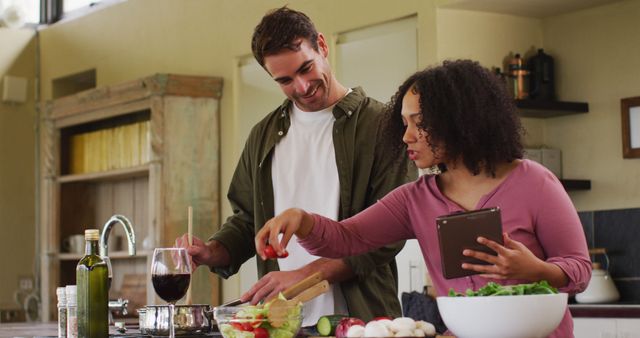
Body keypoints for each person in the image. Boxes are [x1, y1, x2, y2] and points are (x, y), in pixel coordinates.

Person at [255, 60, 592, 337]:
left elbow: (579, 269)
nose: (407, 136)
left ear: (460, 121)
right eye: (404, 123)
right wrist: (302, 219)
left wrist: (535, 269)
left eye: (420, 123)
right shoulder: (415, 199)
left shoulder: (534, 181)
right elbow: (348, 238)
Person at [175, 6, 411, 325]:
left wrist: (305, 275)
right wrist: (212, 251)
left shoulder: (384, 127)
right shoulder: (263, 135)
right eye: (285, 80)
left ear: (322, 46)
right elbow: (247, 220)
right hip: (282, 324)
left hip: (364, 321)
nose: (301, 87)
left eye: (306, 68)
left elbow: (388, 233)